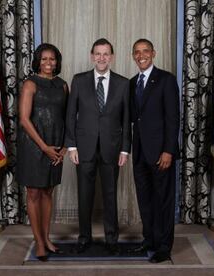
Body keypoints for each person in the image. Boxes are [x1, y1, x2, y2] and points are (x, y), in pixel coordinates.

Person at [65, 38, 130, 255]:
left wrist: (124, 149)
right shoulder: (79, 80)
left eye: (106, 54)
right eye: (98, 54)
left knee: (111, 195)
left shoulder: (123, 83)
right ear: (92, 56)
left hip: (112, 148)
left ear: (111, 57)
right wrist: (72, 146)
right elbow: (70, 115)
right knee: (85, 195)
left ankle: (112, 239)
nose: (102, 58)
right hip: (83, 148)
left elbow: (126, 119)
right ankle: (84, 238)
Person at [128, 38, 179, 263]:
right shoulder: (132, 83)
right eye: (137, 52)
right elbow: (133, 118)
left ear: (153, 53)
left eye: (145, 51)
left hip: (160, 153)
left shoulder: (166, 80)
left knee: (163, 201)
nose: (141, 55)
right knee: (145, 199)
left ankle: (164, 247)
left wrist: (168, 150)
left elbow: (173, 118)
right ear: (133, 56)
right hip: (139, 152)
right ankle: (149, 238)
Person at [16, 43, 68, 261]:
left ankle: (47, 238)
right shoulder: (30, 84)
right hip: (33, 146)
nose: (49, 63)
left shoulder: (63, 85)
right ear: (38, 60)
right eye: (44, 59)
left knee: (48, 191)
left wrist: (64, 147)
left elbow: (67, 118)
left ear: (57, 61)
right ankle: (38, 241)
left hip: (55, 146)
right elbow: (24, 120)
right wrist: (44, 147)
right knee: (34, 193)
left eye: (52, 59)